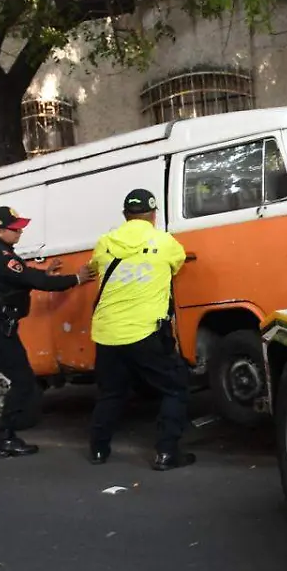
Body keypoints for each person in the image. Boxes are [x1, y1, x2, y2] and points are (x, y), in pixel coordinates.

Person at [0, 206, 96, 457]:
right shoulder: (0, 257)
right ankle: (5, 438)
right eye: (15, 229)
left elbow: (15, 278)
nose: (20, 232)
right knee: (24, 381)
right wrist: (76, 279)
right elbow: (33, 281)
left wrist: (41, 273)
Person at [87, 188, 194, 471]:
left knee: (111, 392)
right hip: (146, 332)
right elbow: (177, 263)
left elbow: (94, 266)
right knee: (174, 388)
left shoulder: (104, 242)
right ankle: (167, 453)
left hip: (107, 333)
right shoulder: (164, 241)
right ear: (153, 214)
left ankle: (98, 449)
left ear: (125, 216)